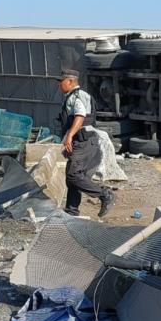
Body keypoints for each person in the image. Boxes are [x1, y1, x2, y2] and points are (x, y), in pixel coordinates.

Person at [58, 69, 115, 217]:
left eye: (61, 81)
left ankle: (104, 194)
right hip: (84, 142)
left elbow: (80, 115)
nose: (59, 85)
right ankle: (71, 210)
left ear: (70, 81)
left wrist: (70, 136)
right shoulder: (77, 96)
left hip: (84, 141)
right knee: (73, 177)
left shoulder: (76, 96)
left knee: (73, 175)